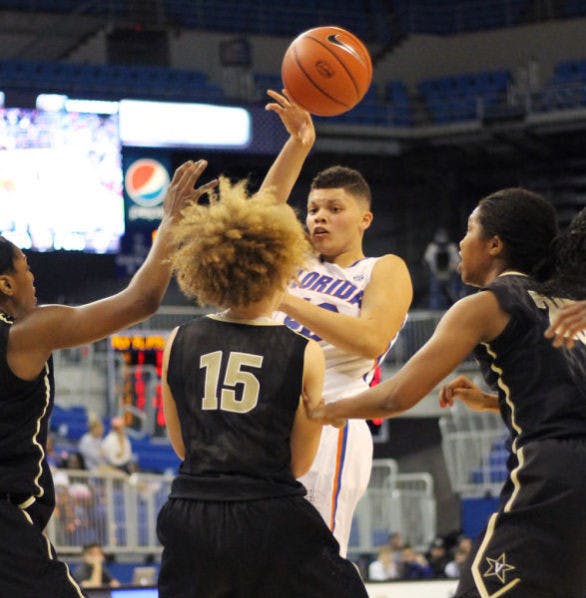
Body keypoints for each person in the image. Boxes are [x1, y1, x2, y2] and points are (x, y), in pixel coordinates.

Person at [309, 196, 586, 597]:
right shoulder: (562, 305)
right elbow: (569, 399)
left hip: (556, 473)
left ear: (494, 245)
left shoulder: (485, 305)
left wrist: (326, 409)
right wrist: (497, 402)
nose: (460, 242)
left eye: (470, 229)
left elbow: (396, 397)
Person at [0, 159, 214, 597]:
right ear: (5, 283)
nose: (32, 276)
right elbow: (142, 300)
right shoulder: (24, 334)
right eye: (24, 267)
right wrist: (171, 222)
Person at [156, 178, 368, 597]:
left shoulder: (177, 339)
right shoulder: (305, 351)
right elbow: (300, 463)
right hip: (269, 511)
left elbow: (183, 446)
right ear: (282, 267)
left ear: (208, 267)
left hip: (191, 512)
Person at [263, 89, 413, 557]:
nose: (319, 218)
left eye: (334, 209)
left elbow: (370, 340)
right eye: (313, 209)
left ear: (364, 218)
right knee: (264, 560)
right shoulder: (296, 260)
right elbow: (262, 209)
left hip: (333, 415)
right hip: (271, 412)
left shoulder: (382, 268)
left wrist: (285, 302)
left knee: (312, 561)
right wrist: (299, 143)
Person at [423, 227, 461, 308]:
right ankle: (435, 310)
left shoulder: (452, 247)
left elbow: (457, 262)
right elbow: (427, 262)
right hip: (436, 274)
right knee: (435, 293)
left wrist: (453, 273)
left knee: (454, 293)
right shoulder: (432, 247)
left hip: (450, 275)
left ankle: (455, 309)